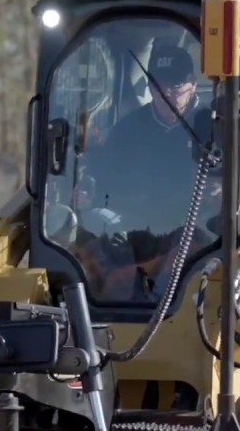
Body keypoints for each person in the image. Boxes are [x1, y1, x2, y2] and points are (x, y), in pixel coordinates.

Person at [75, 43, 222, 302]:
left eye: (176, 86)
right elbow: (100, 177)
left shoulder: (216, 127)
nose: (167, 93)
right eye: (159, 86)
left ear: (193, 85)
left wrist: (220, 189)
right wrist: (88, 192)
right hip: (135, 224)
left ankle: (159, 304)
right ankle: (98, 306)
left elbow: (238, 184)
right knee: (93, 229)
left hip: (193, 228)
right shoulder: (127, 130)